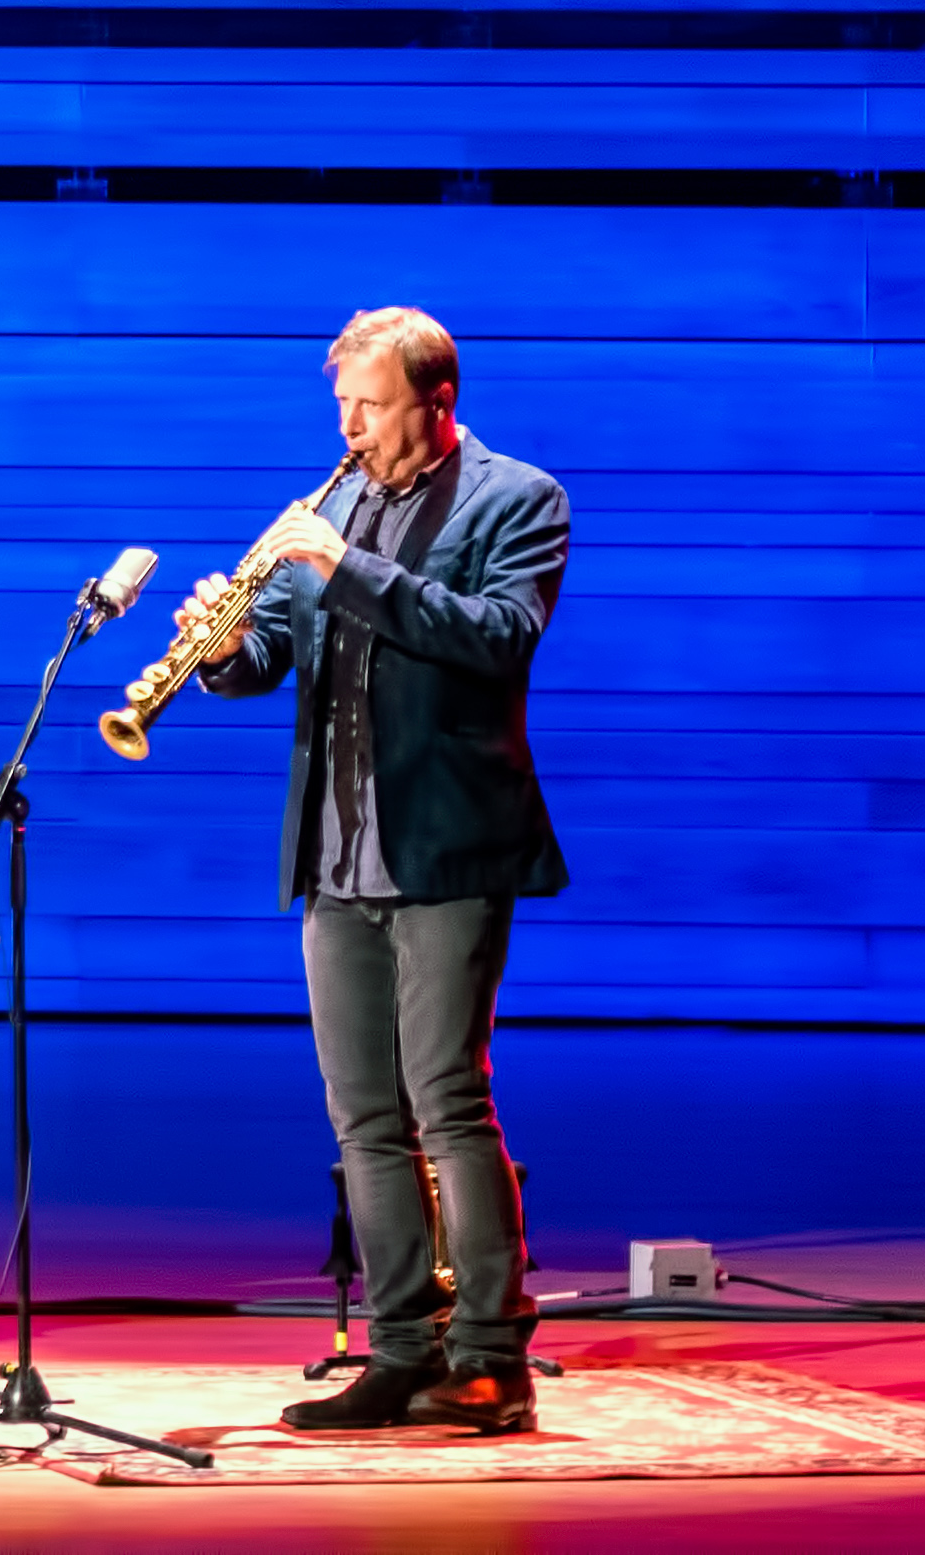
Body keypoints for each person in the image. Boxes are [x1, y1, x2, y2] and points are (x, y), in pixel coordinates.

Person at [189, 307, 572, 1437]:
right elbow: (271, 655)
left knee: (447, 1101)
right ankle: (400, 1349)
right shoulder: (331, 506)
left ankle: (493, 1354)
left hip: (449, 843)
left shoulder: (518, 497)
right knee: (362, 1117)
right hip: (335, 847)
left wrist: (346, 569)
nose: (350, 427)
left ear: (435, 400)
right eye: (342, 405)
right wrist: (221, 650)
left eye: (370, 404)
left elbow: (497, 634)